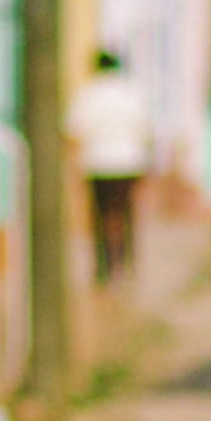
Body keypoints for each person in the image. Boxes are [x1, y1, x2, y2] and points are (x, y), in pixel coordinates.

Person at [71, 48, 152, 285]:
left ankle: (103, 267)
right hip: (129, 163)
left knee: (101, 216)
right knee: (126, 214)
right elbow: (145, 130)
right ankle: (126, 263)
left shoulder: (89, 94)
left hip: (98, 164)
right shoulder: (132, 94)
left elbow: (75, 131)